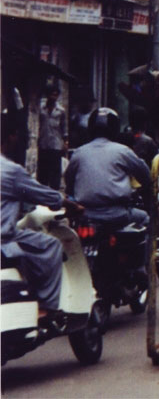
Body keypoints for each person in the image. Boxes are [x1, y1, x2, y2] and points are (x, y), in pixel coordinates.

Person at [1, 111, 80, 327]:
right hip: (3, 239)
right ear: (12, 137)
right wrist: (70, 204)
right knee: (51, 246)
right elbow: (45, 195)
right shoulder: (10, 171)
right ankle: (45, 308)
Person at [64, 108, 152, 230]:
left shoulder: (79, 153)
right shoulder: (123, 151)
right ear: (115, 129)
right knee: (144, 218)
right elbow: (145, 175)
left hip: (85, 214)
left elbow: (69, 182)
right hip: (117, 215)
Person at [36, 86, 67, 190]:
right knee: (43, 170)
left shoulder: (61, 110)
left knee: (55, 170)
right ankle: (43, 190)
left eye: (56, 95)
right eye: (52, 94)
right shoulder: (41, 108)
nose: (53, 97)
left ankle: (54, 191)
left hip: (56, 143)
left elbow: (64, 127)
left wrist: (65, 142)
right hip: (44, 143)